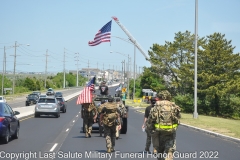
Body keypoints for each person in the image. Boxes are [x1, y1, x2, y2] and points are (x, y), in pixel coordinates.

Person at [147, 90, 181, 160]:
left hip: (159, 132)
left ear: (159, 97)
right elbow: (178, 118)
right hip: (170, 132)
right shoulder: (173, 105)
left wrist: (150, 128)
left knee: (160, 152)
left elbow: (151, 119)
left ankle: (156, 148)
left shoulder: (157, 105)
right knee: (170, 150)